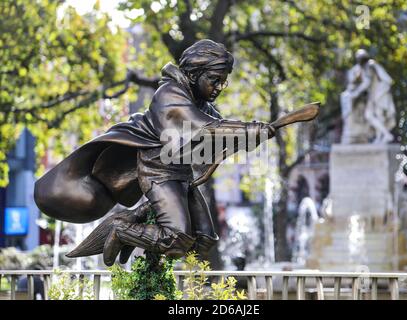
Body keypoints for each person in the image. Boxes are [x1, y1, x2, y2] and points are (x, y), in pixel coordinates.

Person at [35, 39, 276, 265]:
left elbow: (216, 135)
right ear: (194, 74)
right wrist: (248, 129)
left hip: (181, 175)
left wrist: (247, 137)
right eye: (214, 79)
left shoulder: (202, 103)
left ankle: (145, 228)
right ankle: (122, 229)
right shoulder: (169, 95)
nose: (219, 87)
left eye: (223, 81)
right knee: (176, 237)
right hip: (158, 171)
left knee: (203, 241)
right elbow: (202, 126)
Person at [340, 49, 396, 144]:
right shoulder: (368, 66)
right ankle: (380, 137)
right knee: (375, 116)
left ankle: (385, 135)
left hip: (380, 94)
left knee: (373, 115)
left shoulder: (370, 66)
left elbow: (367, 82)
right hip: (376, 95)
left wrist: (356, 93)